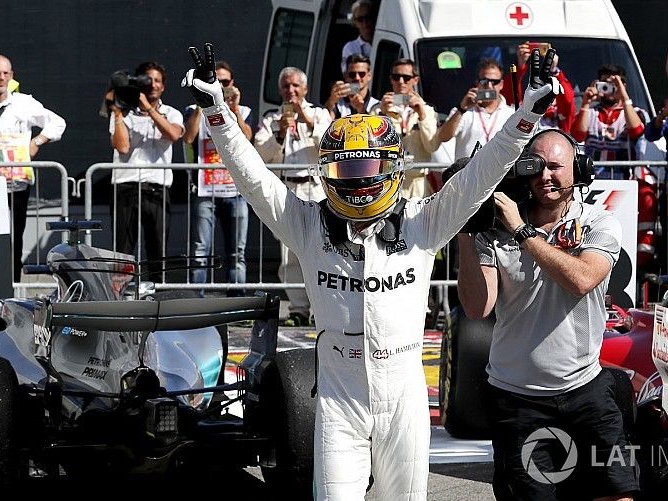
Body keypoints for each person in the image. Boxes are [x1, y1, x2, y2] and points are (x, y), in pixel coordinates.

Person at [182, 42, 560, 501]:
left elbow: (482, 172)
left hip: (404, 395)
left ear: (393, 168)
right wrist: (216, 109)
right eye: (347, 166)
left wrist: (528, 114)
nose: (360, 179)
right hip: (339, 399)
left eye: (369, 165)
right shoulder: (305, 223)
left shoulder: (424, 221)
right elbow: (251, 177)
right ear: (326, 172)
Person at [456, 128, 636, 501]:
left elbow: (582, 279)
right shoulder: (493, 232)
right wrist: (465, 229)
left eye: (556, 166)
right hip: (517, 399)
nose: (545, 176)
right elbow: (477, 307)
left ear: (578, 169)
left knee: (618, 493)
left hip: (586, 388)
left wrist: (522, 231)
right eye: (535, 166)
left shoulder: (600, 223)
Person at [0, 54, 66, 282]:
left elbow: (58, 123)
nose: (1, 78)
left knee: (15, 235)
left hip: (17, 182)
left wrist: (37, 142)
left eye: (6, 74)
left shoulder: (24, 103)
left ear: (11, 76)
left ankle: (12, 285)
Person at [254, 66, 331, 326]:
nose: (291, 91)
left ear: (305, 89)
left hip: (316, 188)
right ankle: (298, 307)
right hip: (288, 187)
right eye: (286, 86)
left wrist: (305, 119)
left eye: (296, 86)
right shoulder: (271, 118)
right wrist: (280, 132)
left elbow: (329, 145)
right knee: (290, 252)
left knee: (320, 247)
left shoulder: (320, 114)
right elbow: (260, 155)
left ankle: (321, 306)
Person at [107, 60, 184, 282]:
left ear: (164, 86)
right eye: (148, 80)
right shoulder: (125, 112)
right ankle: (120, 300)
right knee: (123, 250)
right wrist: (118, 111)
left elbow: (174, 134)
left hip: (157, 188)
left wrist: (149, 109)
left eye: (158, 81)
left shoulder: (172, 112)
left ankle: (156, 297)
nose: (153, 85)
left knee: (157, 249)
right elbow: (122, 146)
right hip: (126, 186)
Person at [184, 60, 252, 291]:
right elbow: (188, 137)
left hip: (235, 188)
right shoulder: (194, 110)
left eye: (224, 82)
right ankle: (196, 304)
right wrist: (203, 102)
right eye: (215, 82)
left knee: (237, 251)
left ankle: (238, 303)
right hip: (206, 188)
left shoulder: (243, 111)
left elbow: (247, 137)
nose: (220, 87)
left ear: (233, 83)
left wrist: (233, 109)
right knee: (201, 250)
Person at [571, 64, 646, 179]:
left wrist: (624, 97)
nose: (610, 88)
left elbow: (636, 132)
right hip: (593, 180)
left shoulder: (635, 112)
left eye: (614, 84)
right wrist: (586, 103)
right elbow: (578, 136)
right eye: (605, 83)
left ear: (623, 86)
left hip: (624, 181)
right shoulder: (589, 112)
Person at [378, 58, 438, 198]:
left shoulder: (427, 110)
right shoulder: (379, 110)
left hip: (418, 184)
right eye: (396, 77)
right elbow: (372, 148)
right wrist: (382, 114)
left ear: (415, 80)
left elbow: (432, 146)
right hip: (388, 182)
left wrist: (421, 114)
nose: (400, 81)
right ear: (391, 80)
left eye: (406, 77)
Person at [434, 58, 514, 161]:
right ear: (477, 83)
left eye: (494, 82)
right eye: (484, 81)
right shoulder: (463, 111)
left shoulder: (511, 113)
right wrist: (462, 109)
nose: (489, 86)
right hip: (468, 174)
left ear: (501, 84)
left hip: (500, 174)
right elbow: (443, 137)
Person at [511, 43, 576, 132]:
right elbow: (511, 97)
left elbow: (568, 100)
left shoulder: (560, 112)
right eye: (538, 88)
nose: (542, 92)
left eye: (548, 88)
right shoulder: (524, 108)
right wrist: (520, 66)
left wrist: (553, 69)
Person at [324, 53, 380, 118]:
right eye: (352, 74)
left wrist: (362, 110)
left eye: (361, 74)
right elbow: (323, 123)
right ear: (345, 76)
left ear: (369, 76)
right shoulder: (338, 103)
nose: (357, 78)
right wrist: (331, 101)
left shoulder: (377, 106)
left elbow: (376, 127)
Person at [340, 0, 376, 74]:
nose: (365, 22)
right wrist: (356, 86)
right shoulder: (350, 48)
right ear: (355, 22)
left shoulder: (384, 43)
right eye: (360, 19)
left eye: (368, 17)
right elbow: (350, 78)